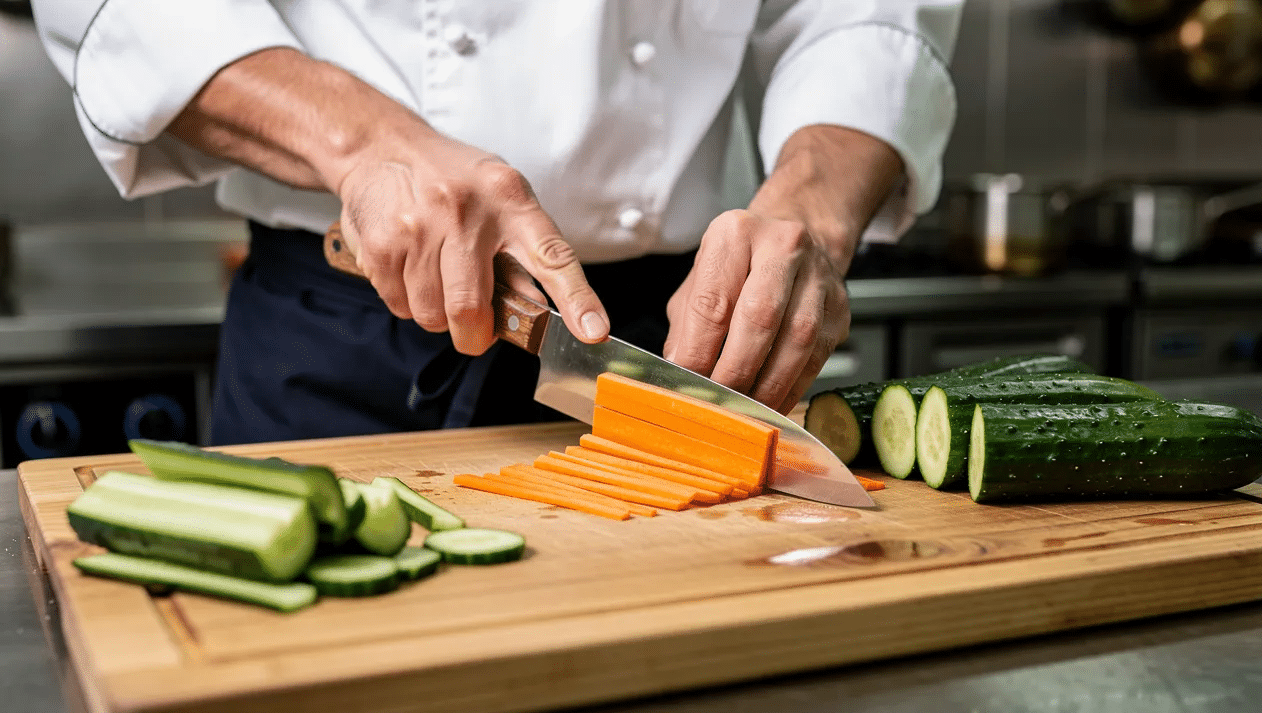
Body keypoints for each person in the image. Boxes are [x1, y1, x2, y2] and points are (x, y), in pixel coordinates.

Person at [31, 1, 960, 445]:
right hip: (343, 345)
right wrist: (362, 144)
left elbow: (866, 16)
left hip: (683, 338)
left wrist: (811, 200)